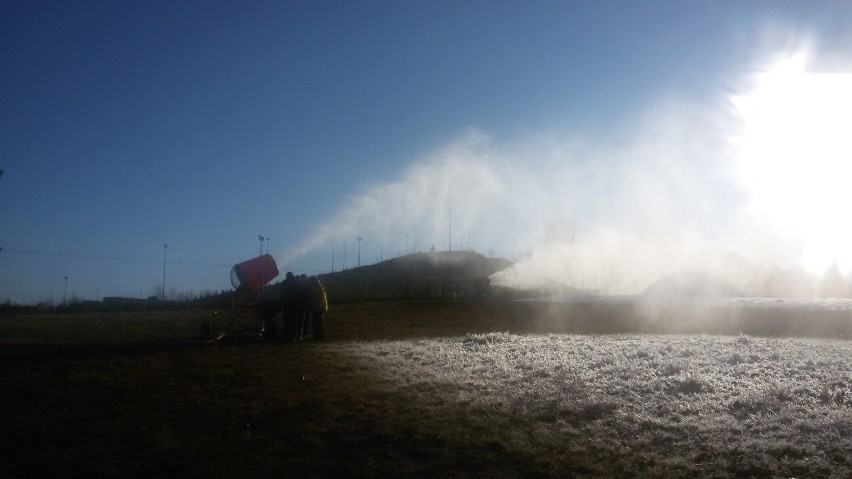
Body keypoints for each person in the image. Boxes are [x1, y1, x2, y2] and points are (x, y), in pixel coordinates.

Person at [279, 272, 303, 342]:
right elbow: (302, 293)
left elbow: (281, 292)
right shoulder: (298, 283)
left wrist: (283, 301)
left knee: (287, 320)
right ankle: (293, 336)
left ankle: (287, 335)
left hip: (287, 305)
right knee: (294, 321)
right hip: (296, 305)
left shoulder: (284, 283)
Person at [308, 276, 328, 341]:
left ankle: (319, 336)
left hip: (319, 308)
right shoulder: (318, 286)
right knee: (316, 322)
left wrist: (317, 307)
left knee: (317, 322)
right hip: (319, 307)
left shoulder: (318, 287)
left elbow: (320, 298)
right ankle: (319, 336)